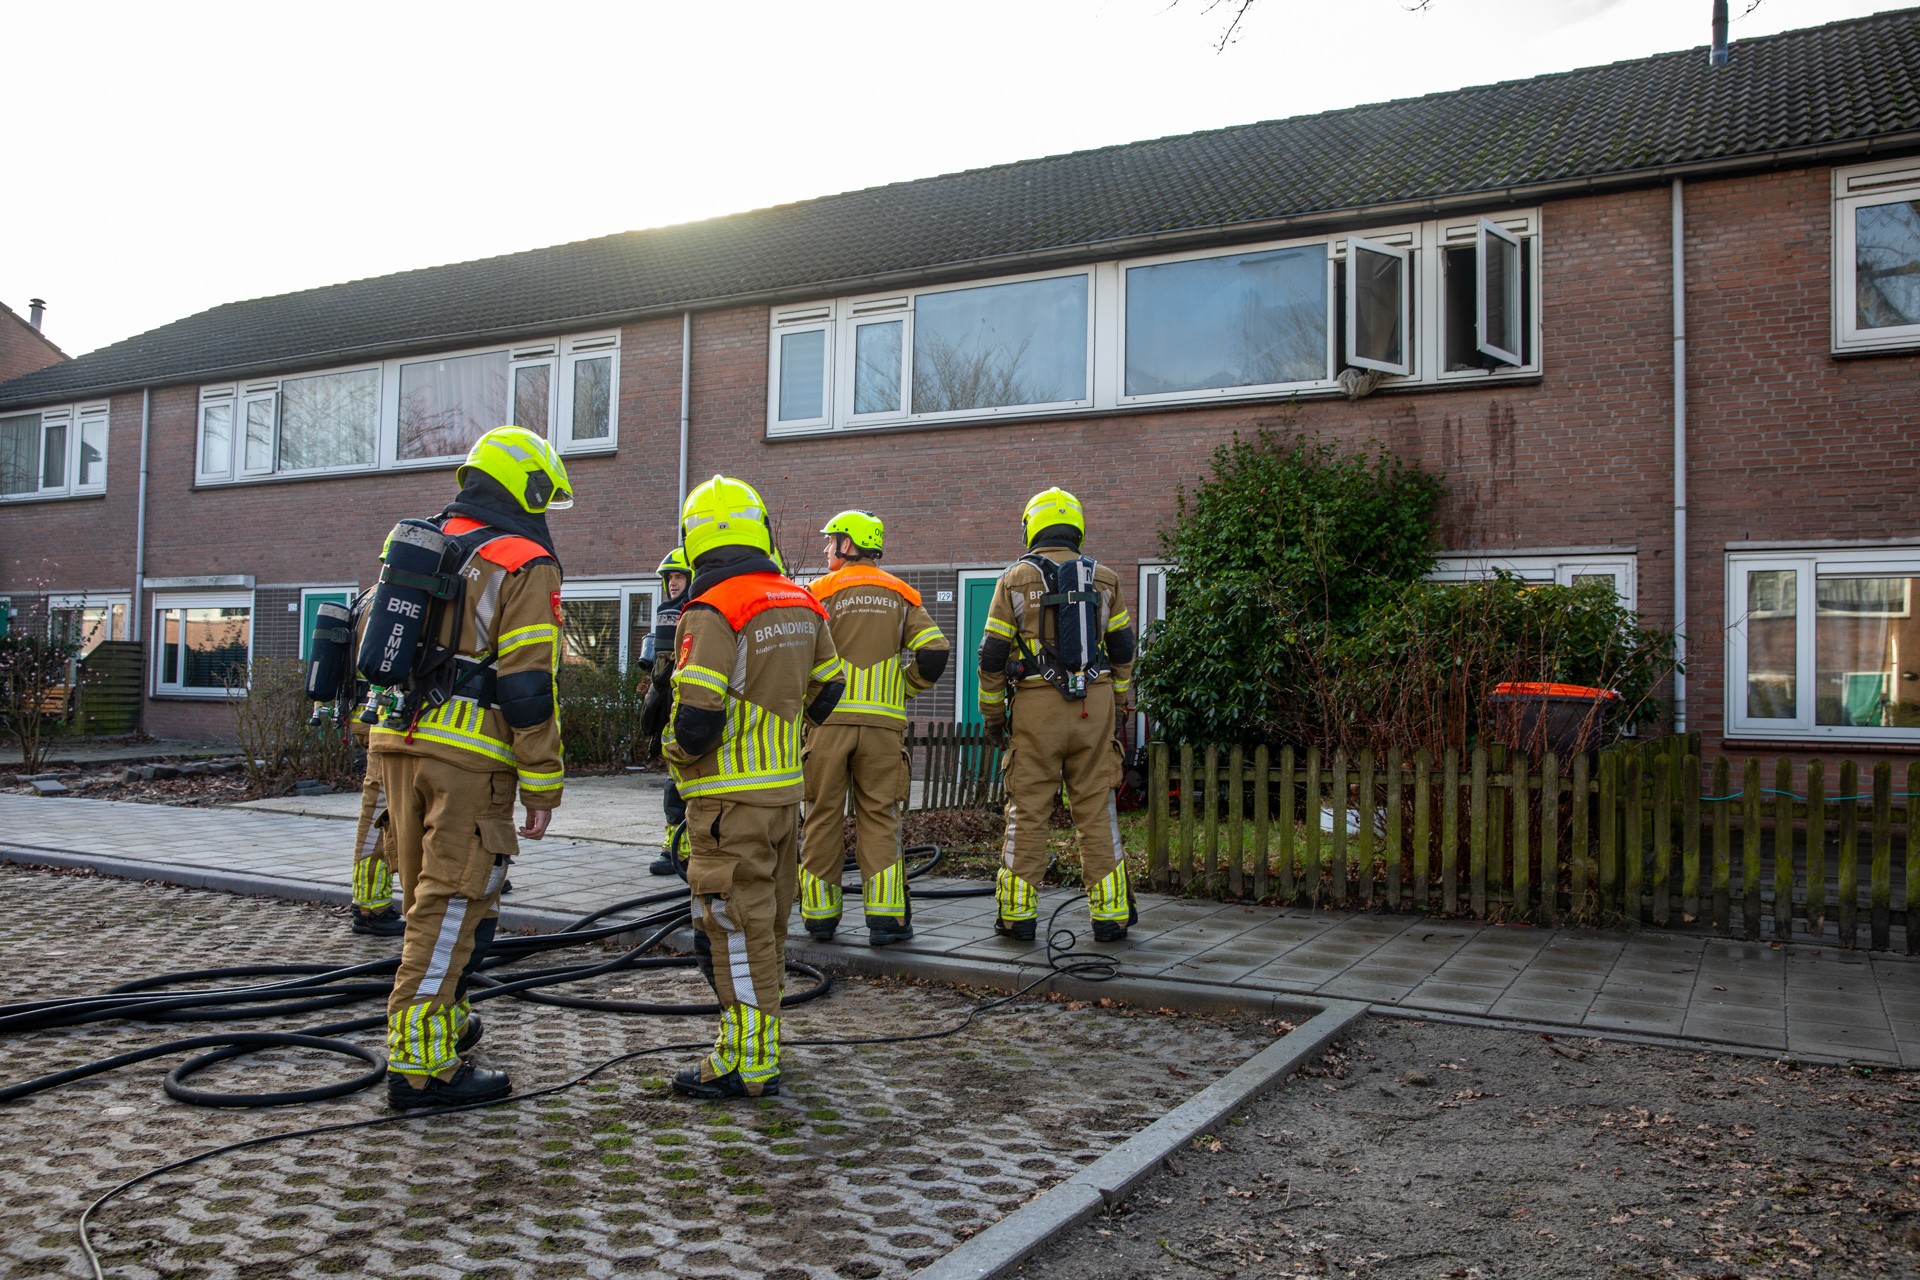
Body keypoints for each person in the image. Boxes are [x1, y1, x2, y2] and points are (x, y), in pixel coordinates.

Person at [370, 425, 571, 1109]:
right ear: (530, 488)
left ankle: (446, 1020)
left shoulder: (422, 542)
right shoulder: (524, 561)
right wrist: (542, 778)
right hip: (470, 756)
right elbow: (525, 686)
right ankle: (420, 1065)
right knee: (454, 903)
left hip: (397, 742)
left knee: (426, 895)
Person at [664, 475, 843, 1099]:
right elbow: (832, 687)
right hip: (783, 798)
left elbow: (696, 720)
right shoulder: (799, 599)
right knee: (765, 926)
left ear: (697, 540)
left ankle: (745, 1062)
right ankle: (758, 1049)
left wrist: (673, 756)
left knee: (732, 930)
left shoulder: (713, 610)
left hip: (727, 805)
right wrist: (783, 729)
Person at [976, 487, 1138, 943]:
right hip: (1095, 705)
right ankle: (1110, 918)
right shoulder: (1104, 578)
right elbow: (1123, 648)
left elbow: (992, 654)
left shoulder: (1014, 579)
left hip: (1035, 707)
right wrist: (1120, 704)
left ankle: (1017, 917)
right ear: (1077, 527)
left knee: (1026, 812)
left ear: (1032, 527)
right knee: (1096, 812)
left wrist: (992, 715)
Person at [799, 510, 949, 945]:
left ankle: (820, 918)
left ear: (849, 544)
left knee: (822, 816)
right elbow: (935, 652)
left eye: (832, 542)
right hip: (883, 728)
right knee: (880, 817)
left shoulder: (817, 593)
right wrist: (902, 687)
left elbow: (798, 655)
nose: (827, 549)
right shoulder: (901, 594)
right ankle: (885, 920)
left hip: (827, 725)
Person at [342, 585, 403, 937]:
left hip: (369, 719)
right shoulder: (397, 601)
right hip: (385, 724)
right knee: (381, 813)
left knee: (399, 811)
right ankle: (369, 906)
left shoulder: (368, 597)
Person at [640, 547, 693, 877]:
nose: (673, 583)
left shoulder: (697, 610)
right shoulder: (664, 612)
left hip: (690, 706)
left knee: (682, 784)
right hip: (669, 708)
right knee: (673, 783)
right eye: (669, 577)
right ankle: (675, 846)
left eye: (678, 576)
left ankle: (683, 848)